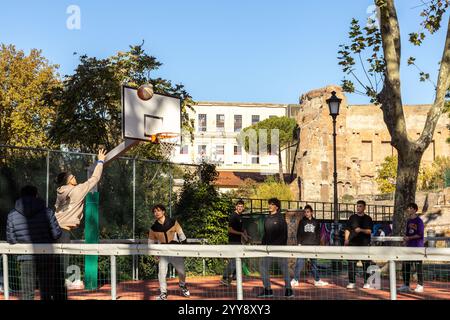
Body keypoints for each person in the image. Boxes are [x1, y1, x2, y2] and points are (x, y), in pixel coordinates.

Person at [54, 148, 106, 288]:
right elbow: (94, 179)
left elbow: (57, 207)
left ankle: (55, 283)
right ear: (68, 181)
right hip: (62, 230)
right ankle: (60, 284)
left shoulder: (60, 192)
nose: (75, 177)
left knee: (54, 258)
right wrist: (100, 161)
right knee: (62, 259)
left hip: (54, 226)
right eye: (72, 176)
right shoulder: (77, 190)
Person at [6, 185, 64, 300]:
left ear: (21, 196)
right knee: (47, 293)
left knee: (27, 295)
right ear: (36, 195)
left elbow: (11, 239)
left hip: (25, 257)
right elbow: (56, 234)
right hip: (46, 256)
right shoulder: (47, 212)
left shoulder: (12, 215)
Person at [148, 204, 190, 300]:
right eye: (154, 211)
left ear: (163, 212)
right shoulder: (153, 228)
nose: (156, 213)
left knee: (182, 271)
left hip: (176, 250)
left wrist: (185, 248)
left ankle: (182, 285)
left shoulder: (173, 222)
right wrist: (155, 253)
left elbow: (181, 234)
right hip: (162, 252)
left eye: (158, 210)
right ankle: (163, 293)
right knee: (161, 273)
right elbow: (150, 242)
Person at [257, 198, 293, 298]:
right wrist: (263, 246)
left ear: (276, 207)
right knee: (263, 267)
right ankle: (268, 290)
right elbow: (265, 234)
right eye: (269, 204)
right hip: (267, 249)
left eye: (272, 204)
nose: (269, 206)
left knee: (284, 269)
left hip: (279, 249)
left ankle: (289, 290)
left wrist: (277, 247)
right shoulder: (267, 218)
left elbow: (284, 235)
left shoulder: (281, 219)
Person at [291, 205, 329, 287]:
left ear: (312, 212)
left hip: (313, 246)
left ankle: (317, 280)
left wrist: (317, 245)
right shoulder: (302, 222)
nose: (306, 213)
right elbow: (299, 233)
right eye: (305, 212)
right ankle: (295, 280)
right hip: (303, 246)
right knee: (299, 263)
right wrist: (299, 244)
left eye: (308, 212)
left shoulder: (316, 222)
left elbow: (318, 234)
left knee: (314, 264)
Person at [344, 200, 373, 289]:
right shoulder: (352, 217)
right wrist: (346, 240)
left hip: (364, 244)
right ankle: (351, 282)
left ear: (364, 207)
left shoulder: (368, 218)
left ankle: (367, 282)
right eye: (357, 206)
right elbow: (347, 229)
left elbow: (369, 231)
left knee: (366, 264)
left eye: (360, 206)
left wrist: (361, 230)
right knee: (351, 264)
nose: (358, 208)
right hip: (352, 243)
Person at [220, 200, 250, 286]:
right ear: (236, 207)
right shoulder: (233, 216)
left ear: (243, 208)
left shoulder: (241, 217)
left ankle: (233, 279)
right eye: (238, 206)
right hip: (233, 242)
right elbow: (230, 230)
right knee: (234, 261)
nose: (240, 208)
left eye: (241, 206)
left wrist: (246, 236)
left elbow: (243, 229)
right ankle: (225, 278)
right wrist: (241, 234)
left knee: (239, 260)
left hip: (239, 242)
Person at [398, 202, 425, 293]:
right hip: (409, 247)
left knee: (418, 266)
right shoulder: (408, 221)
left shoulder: (419, 221)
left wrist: (410, 238)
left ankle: (420, 285)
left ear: (414, 209)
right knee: (406, 265)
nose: (408, 210)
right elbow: (407, 233)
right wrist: (405, 239)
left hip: (417, 247)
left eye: (410, 208)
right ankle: (406, 285)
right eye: (408, 208)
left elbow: (420, 235)